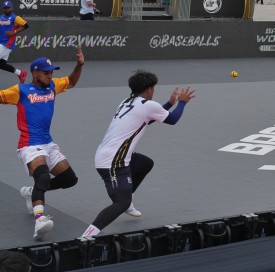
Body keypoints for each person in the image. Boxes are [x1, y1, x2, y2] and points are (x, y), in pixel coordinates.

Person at [80, 72, 195, 238]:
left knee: (145, 164)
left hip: (113, 154)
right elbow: (173, 120)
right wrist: (182, 102)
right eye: (153, 88)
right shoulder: (148, 105)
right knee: (121, 202)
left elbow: (147, 119)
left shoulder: (126, 102)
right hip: (113, 161)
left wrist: (170, 104)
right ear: (148, 89)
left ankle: (127, 197)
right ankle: (87, 236)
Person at [0, 48, 85, 241]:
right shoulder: (20, 90)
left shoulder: (53, 86)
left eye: (51, 72)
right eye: (46, 72)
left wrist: (79, 65)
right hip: (29, 144)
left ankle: (32, 192)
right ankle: (39, 220)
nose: (50, 75)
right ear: (35, 72)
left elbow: (71, 81)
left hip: (48, 143)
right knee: (43, 175)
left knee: (69, 179)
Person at [0, 1, 29, 83]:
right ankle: (20, 73)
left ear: (12, 8)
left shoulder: (15, 18)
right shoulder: (1, 17)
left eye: (8, 8)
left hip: (7, 44)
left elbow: (26, 25)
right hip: (1, 43)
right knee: (1, 65)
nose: (6, 9)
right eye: (5, 8)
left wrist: (14, 32)